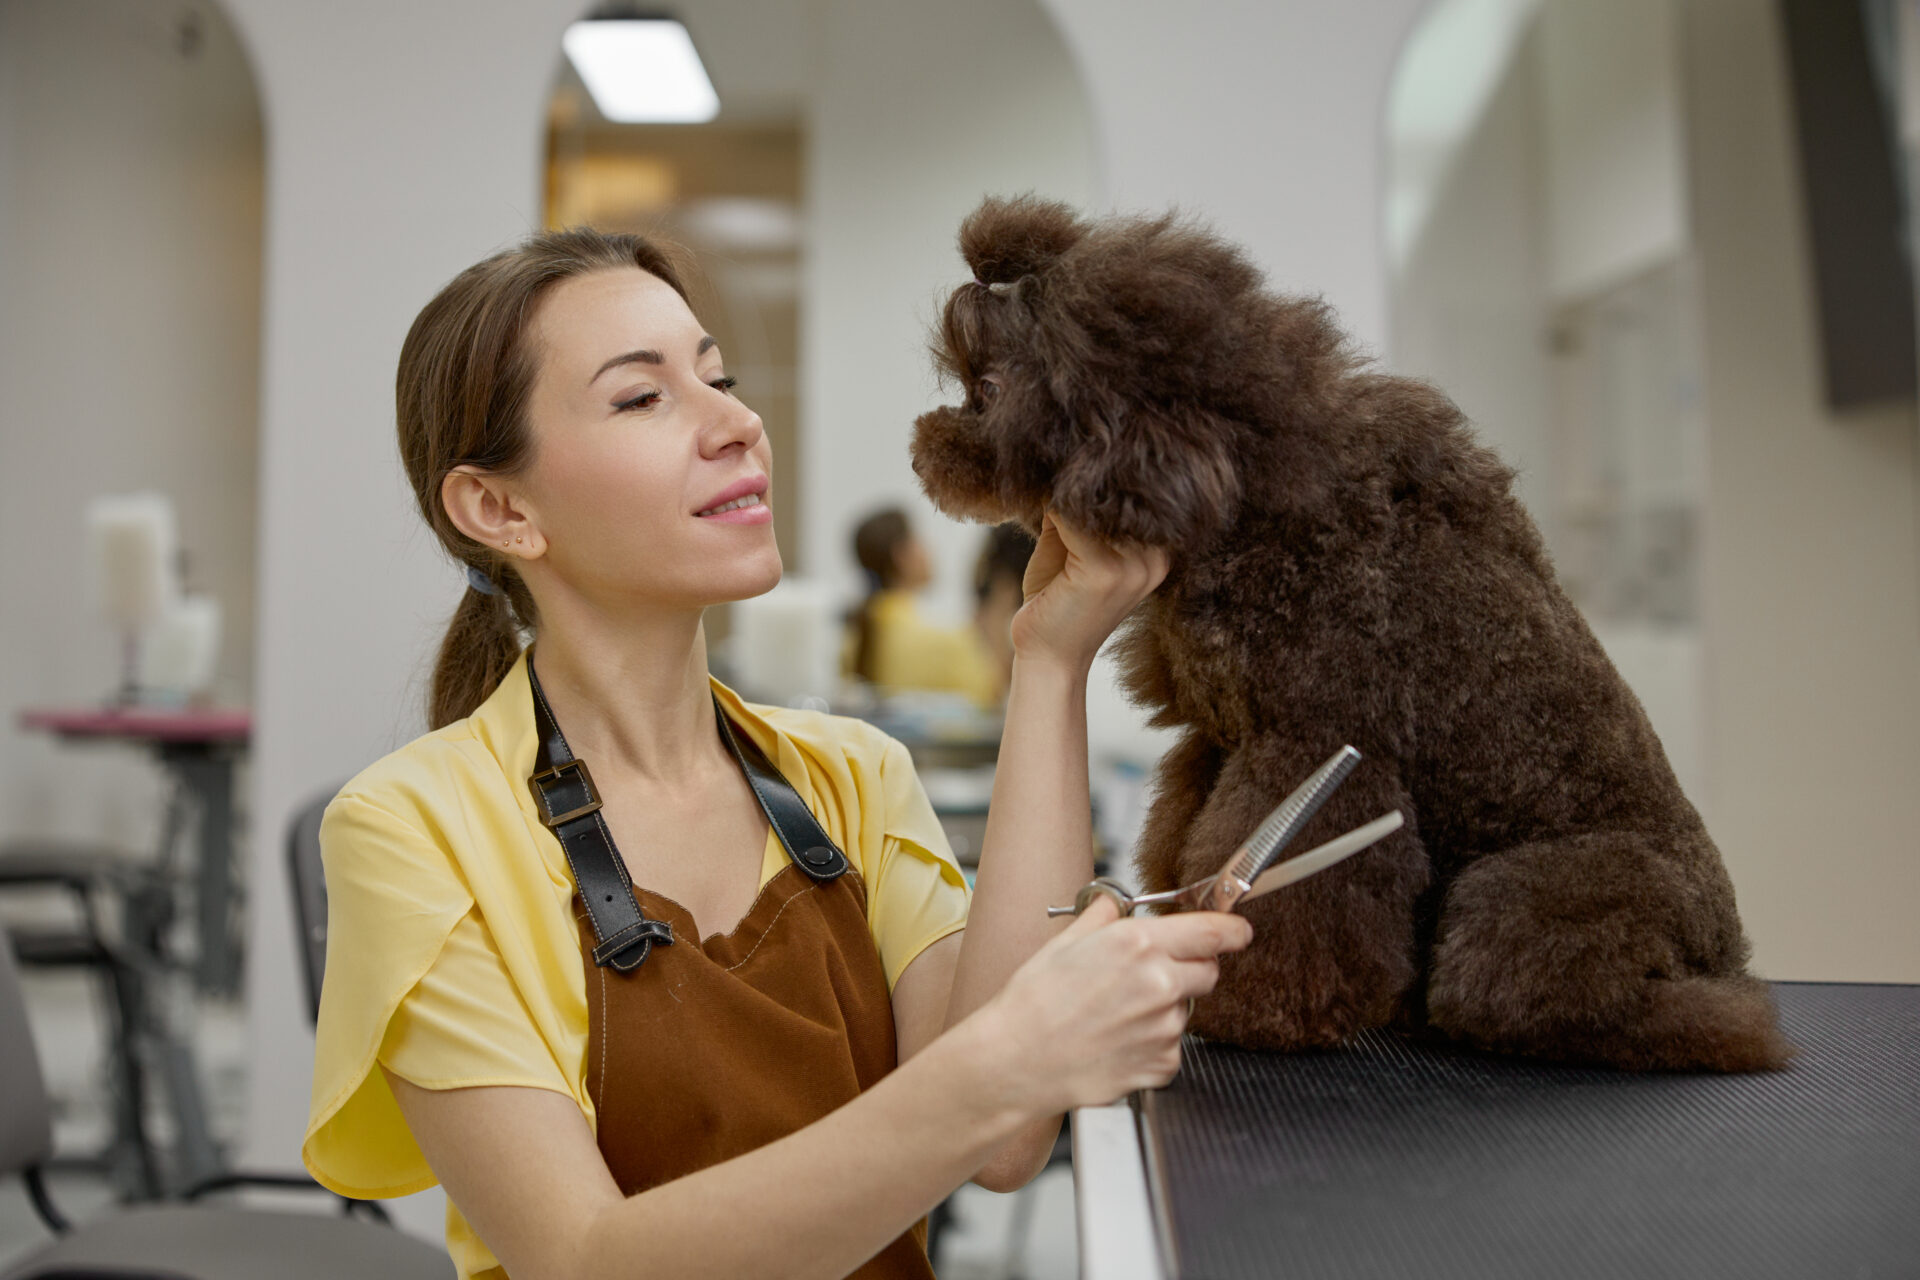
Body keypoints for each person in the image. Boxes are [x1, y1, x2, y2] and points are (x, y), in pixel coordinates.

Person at [300, 227, 1251, 1280]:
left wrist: (1052, 661)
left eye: (720, 378)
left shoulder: (851, 775)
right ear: (500, 507)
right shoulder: (412, 829)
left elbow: (1004, 1140)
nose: (739, 424)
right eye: (641, 397)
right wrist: (1013, 1055)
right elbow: (584, 1258)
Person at [845, 507, 1002, 708]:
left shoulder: (851, 639)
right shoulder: (948, 640)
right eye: (918, 541)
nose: (929, 549)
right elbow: (991, 702)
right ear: (901, 555)